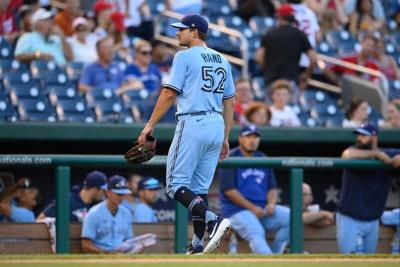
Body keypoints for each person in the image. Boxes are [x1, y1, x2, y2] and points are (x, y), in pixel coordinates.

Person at [137, 14, 235, 254]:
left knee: (174, 186)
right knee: (200, 188)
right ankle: (198, 243)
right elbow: (230, 102)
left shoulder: (184, 56)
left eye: (182, 29)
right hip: (216, 124)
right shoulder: (223, 59)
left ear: (194, 31)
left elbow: (169, 94)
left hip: (193, 121)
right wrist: (225, 137)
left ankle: (213, 220)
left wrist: (149, 125)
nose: (177, 33)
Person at [219, 124, 290, 254]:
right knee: (257, 232)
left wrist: (271, 204)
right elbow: (229, 190)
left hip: (262, 209)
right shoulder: (230, 156)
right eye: (248, 136)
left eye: (255, 137)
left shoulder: (263, 158)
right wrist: (252, 208)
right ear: (240, 139)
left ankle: (277, 256)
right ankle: (270, 263)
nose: (252, 140)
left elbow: (272, 188)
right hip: (236, 211)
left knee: (291, 218)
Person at [338, 122, 400, 253]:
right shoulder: (355, 152)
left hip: (373, 220)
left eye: (364, 135)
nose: (359, 138)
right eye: (359, 135)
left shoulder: (387, 153)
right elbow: (346, 154)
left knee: (369, 262)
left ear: (374, 137)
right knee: (348, 263)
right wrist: (375, 154)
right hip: (350, 218)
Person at [255, 4, 317, 103]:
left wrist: (267, 69)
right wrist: (306, 75)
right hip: (291, 81)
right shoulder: (299, 34)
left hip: (271, 79)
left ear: (279, 17)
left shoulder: (269, 33)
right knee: (289, 113)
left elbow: (258, 58)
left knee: (271, 114)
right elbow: (313, 59)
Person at [81, 175, 135, 253]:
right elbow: (86, 245)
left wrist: (136, 247)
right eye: (118, 194)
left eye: (124, 194)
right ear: (108, 192)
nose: (121, 198)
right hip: (100, 258)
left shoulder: (126, 214)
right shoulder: (94, 213)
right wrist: (108, 254)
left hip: (122, 256)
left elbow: (129, 240)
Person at [37, 170, 107, 222]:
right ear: (94, 189)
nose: (104, 193)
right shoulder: (67, 200)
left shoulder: (100, 205)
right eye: (103, 190)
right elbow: (40, 219)